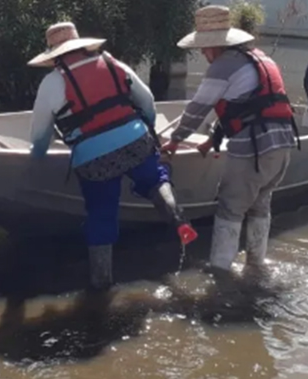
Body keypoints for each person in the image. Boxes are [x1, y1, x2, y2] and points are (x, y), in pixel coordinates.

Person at [28, 22, 197, 290]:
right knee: (154, 178)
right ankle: (179, 222)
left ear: (54, 56)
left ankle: (101, 283)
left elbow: (40, 137)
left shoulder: (52, 82)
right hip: (135, 140)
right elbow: (147, 101)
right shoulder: (112, 63)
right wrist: (149, 130)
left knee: (101, 213)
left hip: (94, 158)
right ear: (83, 47)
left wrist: (35, 158)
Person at [160, 5, 298, 274]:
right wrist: (212, 140)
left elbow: (196, 110)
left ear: (215, 45)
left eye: (203, 47)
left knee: (230, 208)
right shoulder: (256, 57)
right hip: (282, 145)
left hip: (254, 150)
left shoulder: (223, 66)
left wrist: (175, 141)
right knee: (259, 205)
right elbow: (244, 108)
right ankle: (256, 266)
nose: (202, 53)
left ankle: (220, 275)